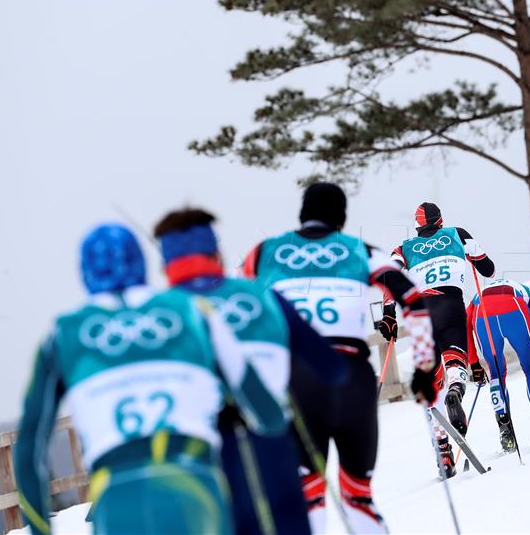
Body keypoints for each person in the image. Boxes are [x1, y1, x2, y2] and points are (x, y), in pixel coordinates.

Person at [14, 224, 288, 535]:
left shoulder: (64, 332)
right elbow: (268, 414)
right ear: (142, 264)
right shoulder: (193, 310)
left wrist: (39, 528)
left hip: (118, 496)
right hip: (194, 483)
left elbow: (29, 447)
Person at [242, 183, 438, 534]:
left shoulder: (264, 252)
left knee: (309, 494)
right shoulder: (359, 250)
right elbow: (413, 300)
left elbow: (233, 307)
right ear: (342, 218)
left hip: (296, 379)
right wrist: (424, 367)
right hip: (351, 378)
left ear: (302, 212)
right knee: (357, 495)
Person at [153, 207, 348, 535]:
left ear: (166, 263)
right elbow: (331, 368)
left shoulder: (158, 315)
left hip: (201, 465)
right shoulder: (263, 295)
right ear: (216, 252)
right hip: (274, 447)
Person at [380, 202, 494, 470]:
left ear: (419, 226)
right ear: (440, 221)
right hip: (451, 303)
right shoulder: (458, 234)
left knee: (432, 383)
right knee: (455, 361)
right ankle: (456, 388)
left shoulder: (404, 248)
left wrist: (389, 314)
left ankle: (443, 452)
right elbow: (487, 268)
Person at [465, 278, 530, 450]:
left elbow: (465, 326)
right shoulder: (527, 291)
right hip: (514, 310)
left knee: (496, 374)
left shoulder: (477, 295)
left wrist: (474, 363)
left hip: (483, 314)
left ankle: (505, 432)